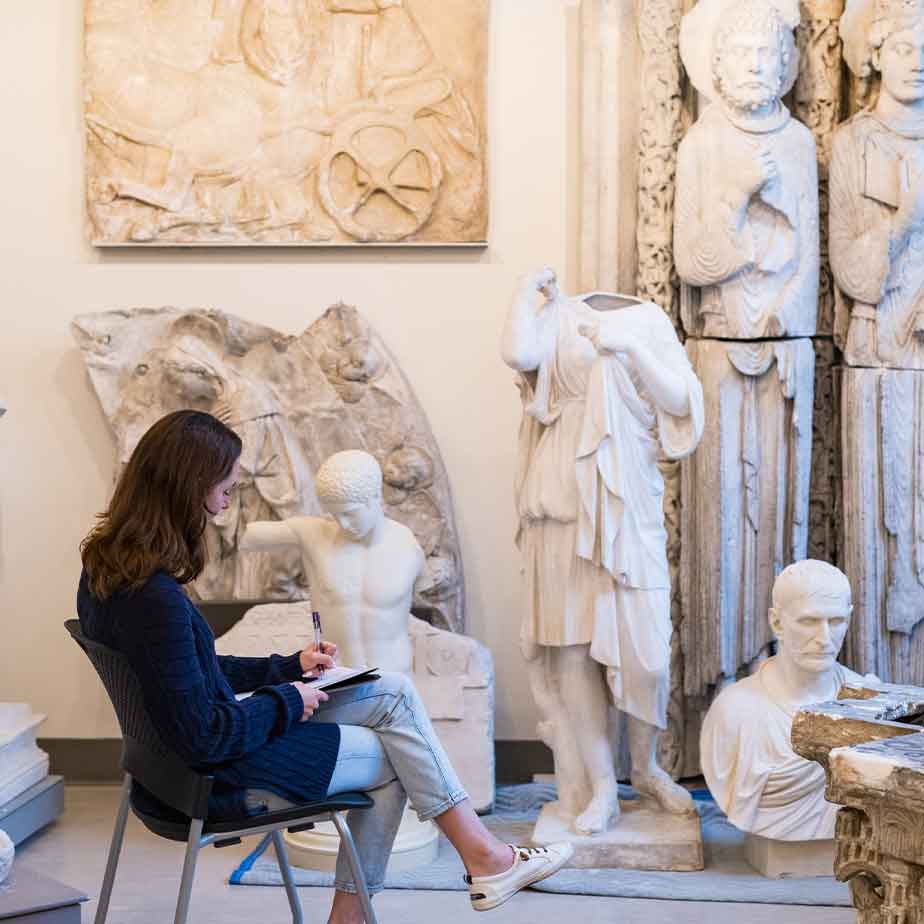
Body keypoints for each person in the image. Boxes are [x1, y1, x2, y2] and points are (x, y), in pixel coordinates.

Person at [77, 410, 571, 923]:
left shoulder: (107, 570)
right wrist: (289, 699)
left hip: (163, 771)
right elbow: (205, 735)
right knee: (398, 757)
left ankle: (484, 857)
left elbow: (186, 670)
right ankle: (412, 891)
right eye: (224, 484)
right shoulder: (155, 599)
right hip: (217, 778)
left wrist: (286, 667)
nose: (229, 495)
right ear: (188, 485)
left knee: (394, 691)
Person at [501, 267, 704, 837]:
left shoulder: (646, 320)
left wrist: (633, 348)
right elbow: (517, 353)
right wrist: (526, 291)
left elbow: (683, 401)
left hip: (626, 502)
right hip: (559, 506)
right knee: (572, 657)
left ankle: (645, 768)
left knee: (648, 655)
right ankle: (600, 790)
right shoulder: (556, 315)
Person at [701, 560, 872, 840]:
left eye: (836, 621)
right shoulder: (733, 711)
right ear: (777, 623)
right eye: (809, 621)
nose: (824, 638)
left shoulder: (866, 707)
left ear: (849, 619)